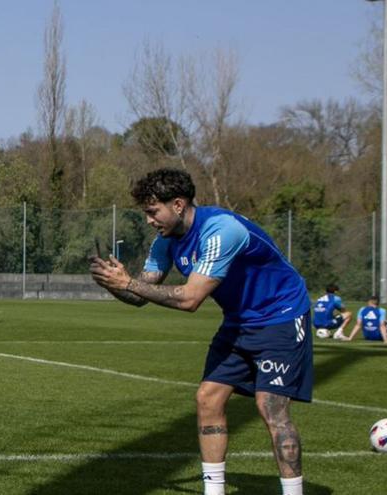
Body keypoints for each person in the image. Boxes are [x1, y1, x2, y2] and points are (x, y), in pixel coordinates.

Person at [90, 168, 311, 495]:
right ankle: (214, 491)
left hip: (281, 315)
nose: (150, 220)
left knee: (271, 407)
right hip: (239, 321)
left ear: (178, 204)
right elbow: (140, 296)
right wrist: (112, 283)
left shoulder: (221, 231)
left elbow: (191, 298)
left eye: (153, 212)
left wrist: (127, 282)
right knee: (208, 399)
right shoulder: (165, 242)